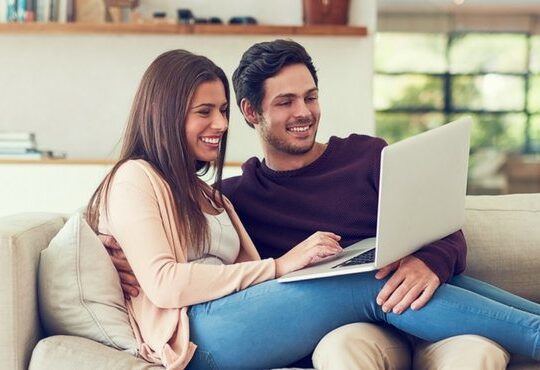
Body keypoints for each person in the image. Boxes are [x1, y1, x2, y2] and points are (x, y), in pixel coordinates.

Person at [91, 48, 540, 370]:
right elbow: (165, 283)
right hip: (196, 336)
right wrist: (281, 265)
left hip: (233, 315)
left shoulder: (212, 194)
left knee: (380, 270)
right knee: (370, 275)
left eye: (221, 110)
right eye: (204, 111)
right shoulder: (136, 177)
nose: (220, 124)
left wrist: (429, 262)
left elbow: (440, 226)